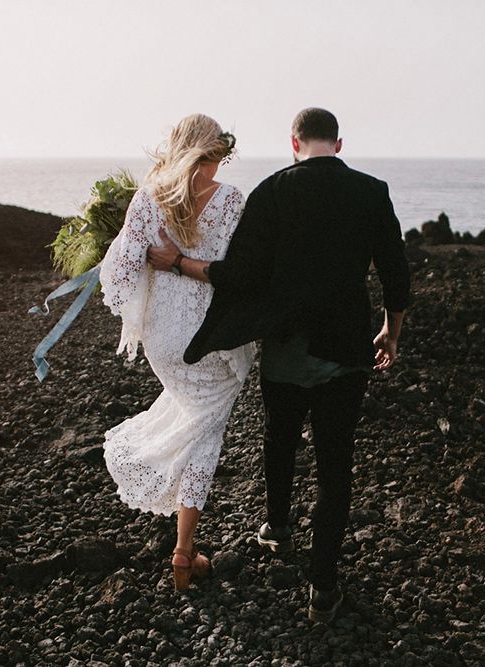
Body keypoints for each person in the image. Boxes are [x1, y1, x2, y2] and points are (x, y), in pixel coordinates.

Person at [147, 107, 410, 621]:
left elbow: (241, 274)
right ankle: (324, 588)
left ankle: (278, 528)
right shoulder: (372, 191)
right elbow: (396, 272)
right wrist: (390, 331)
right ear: (338, 142)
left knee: (280, 437)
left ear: (294, 142)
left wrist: (178, 263)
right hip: (348, 347)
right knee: (336, 467)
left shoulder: (272, 191)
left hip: (288, 347)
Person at [98, 114, 255, 591]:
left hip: (163, 338)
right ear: (215, 150)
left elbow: (119, 273)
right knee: (207, 433)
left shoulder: (148, 198)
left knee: (194, 419)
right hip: (211, 334)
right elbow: (239, 274)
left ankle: (184, 544)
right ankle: (183, 553)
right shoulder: (231, 201)